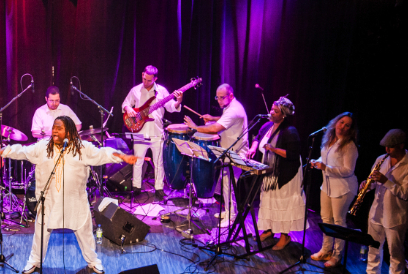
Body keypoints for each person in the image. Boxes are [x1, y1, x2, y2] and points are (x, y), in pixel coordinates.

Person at [2, 116, 137, 274]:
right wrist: (0, 151)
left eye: (59, 128)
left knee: (85, 234)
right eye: (54, 127)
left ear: (69, 131)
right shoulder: (43, 146)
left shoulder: (82, 147)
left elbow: (102, 153)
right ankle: (34, 261)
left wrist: (121, 156)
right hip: (50, 201)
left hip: (75, 201)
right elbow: (22, 151)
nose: (54, 131)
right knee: (41, 233)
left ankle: (93, 261)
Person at [354, 129, 408, 274]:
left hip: (395, 216)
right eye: (386, 147)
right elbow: (375, 181)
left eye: (391, 147)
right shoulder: (381, 159)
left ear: (401, 145)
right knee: (373, 246)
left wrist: (386, 181)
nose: (387, 150)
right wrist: (367, 185)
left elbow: (406, 194)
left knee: (395, 253)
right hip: (377, 211)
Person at [184, 83, 248, 226]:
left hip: (236, 153)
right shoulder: (230, 107)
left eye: (222, 98)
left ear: (230, 96)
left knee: (229, 184)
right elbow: (223, 119)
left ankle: (231, 216)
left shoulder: (234, 110)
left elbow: (215, 129)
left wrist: (194, 127)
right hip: (229, 151)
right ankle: (230, 210)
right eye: (217, 98)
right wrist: (213, 118)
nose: (219, 101)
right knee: (226, 183)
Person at [249, 97, 305, 250]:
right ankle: (269, 229)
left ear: (284, 115)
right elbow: (258, 137)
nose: (271, 112)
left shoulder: (290, 131)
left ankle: (285, 236)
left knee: (282, 203)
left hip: (285, 174)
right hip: (270, 172)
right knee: (268, 200)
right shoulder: (268, 125)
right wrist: (253, 147)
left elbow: (293, 154)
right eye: (272, 109)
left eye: (275, 111)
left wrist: (273, 149)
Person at [122, 65, 183, 200]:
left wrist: (178, 101)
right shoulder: (135, 90)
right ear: (143, 74)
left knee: (158, 162)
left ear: (155, 79)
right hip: (140, 131)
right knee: (137, 161)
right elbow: (125, 104)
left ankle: (159, 188)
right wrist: (129, 109)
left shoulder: (161, 91)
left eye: (149, 80)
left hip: (156, 131)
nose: (146, 82)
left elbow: (172, 107)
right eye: (144, 79)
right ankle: (136, 187)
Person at [307, 112, 359, 267]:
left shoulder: (349, 146)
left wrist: (326, 168)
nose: (342, 127)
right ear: (336, 122)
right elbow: (326, 158)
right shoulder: (329, 139)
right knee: (326, 219)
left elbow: (348, 170)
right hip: (327, 186)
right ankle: (325, 250)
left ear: (350, 130)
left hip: (343, 189)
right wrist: (318, 162)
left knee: (338, 222)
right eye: (341, 122)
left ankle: (337, 255)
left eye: (347, 125)